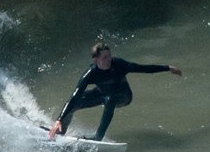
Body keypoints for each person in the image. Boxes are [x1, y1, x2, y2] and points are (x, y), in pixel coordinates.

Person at [47, 42, 182, 141]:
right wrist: (59, 119)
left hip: (123, 96)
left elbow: (143, 68)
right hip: (102, 94)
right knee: (76, 102)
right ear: (96, 60)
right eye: (104, 57)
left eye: (109, 56)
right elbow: (75, 95)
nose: (108, 60)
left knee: (110, 99)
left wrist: (168, 68)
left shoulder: (119, 65)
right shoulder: (91, 73)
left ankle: (98, 137)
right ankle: (60, 131)